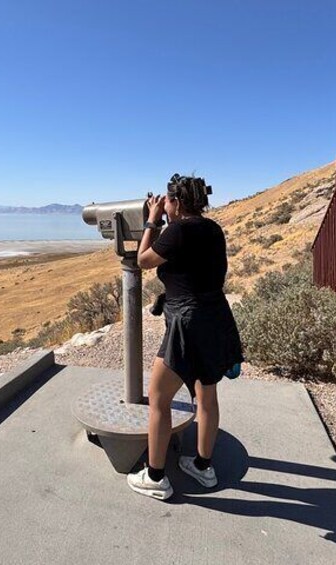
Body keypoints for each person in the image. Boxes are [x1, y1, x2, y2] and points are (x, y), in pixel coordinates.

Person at [126, 174, 243, 500]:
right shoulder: (212, 228)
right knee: (207, 397)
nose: (163, 205)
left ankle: (155, 477)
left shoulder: (179, 229)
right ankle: (204, 467)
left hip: (187, 322)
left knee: (159, 398)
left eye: (167, 201)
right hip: (214, 316)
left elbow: (143, 260)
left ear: (176, 202)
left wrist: (151, 220)